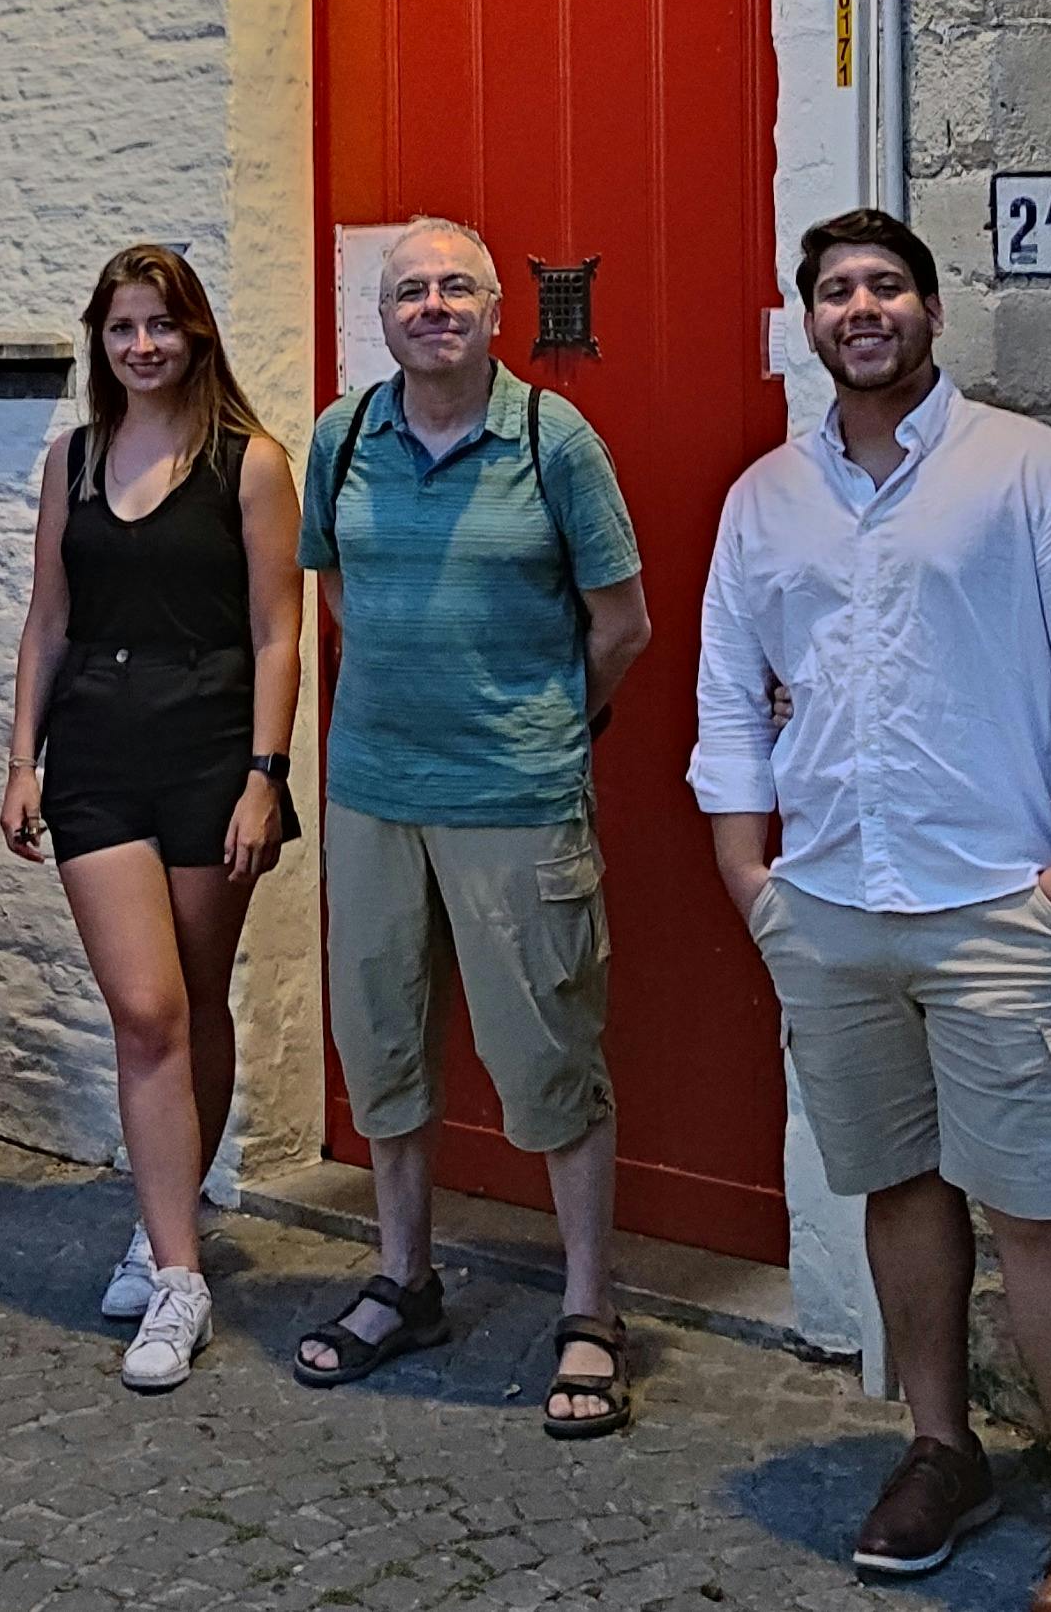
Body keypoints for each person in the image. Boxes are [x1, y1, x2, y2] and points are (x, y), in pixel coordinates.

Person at [694, 210, 1051, 1610]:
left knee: (1042, 1207)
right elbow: (729, 689)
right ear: (809, 319)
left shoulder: (1032, 473)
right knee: (896, 1186)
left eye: (886, 285)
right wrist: (746, 871)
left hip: (1002, 904)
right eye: (837, 289)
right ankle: (940, 1443)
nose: (864, 307)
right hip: (833, 902)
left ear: (930, 308)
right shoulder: (766, 499)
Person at [291, 217, 653, 1439]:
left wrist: (544, 723)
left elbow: (621, 625)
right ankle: (405, 1279)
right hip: (374, 795)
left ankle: (591, 1310)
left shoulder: (557, 441)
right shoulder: (342, 438)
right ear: (381, 318)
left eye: (455, 288)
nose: (432, 306)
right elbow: (335, 588)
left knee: (550, 1058)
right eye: (409, 291)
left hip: (514, 800)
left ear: (498, 310)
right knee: (382, 1049)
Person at [0, 246, 306, 1392]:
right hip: (94, 756)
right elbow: (47, 618)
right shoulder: (71, 458)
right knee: (144, 1010)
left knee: (195, 1002)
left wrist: (265, 775)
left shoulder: (252, 463)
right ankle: (178, 1276)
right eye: (124, 327)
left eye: (162, 326)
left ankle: (160, 1221)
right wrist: (19, 758)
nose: (144, 347)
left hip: (210, 753)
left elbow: (280, 630)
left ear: (197, 335)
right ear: (101, 339)